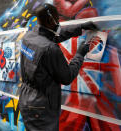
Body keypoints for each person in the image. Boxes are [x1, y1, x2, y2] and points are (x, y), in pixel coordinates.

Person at [19, 3, 98, 131]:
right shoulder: (50, 49)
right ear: (51, 20)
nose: (59, 22)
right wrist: (80, 54)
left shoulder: (29, 36)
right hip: (42, 106)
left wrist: (80, 27)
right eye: (57, 18)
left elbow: (52, 37)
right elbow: (66, 77)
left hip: (27, 99)